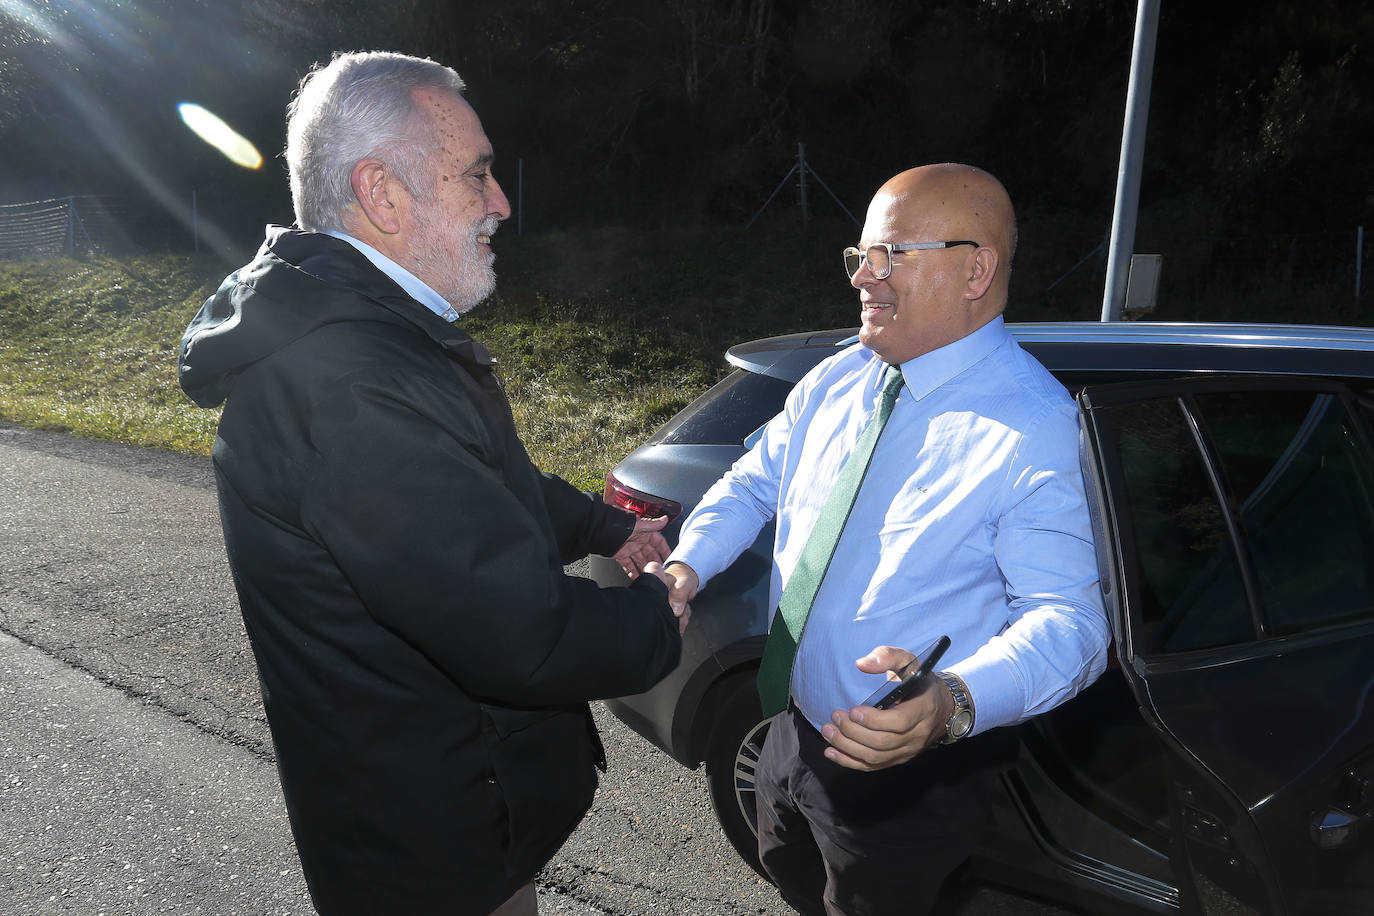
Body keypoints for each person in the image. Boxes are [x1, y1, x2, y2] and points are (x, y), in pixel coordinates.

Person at [176, 51, 684, 916]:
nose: (501, 203)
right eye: (478, 175)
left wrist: (601, 528)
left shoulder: (370, 332)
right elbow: (516, 633)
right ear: (381, 193)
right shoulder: (346, 380)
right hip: (428, 846)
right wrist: (657, 614)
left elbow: (475, 482)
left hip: (449, 806)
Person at [658, 163, 1111, 915]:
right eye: (861, 256)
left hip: (906, 778)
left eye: (893, 254)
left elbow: (1072, 622)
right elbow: (751, 483)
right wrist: (685, 567)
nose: (864, 277)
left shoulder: (1033, 427)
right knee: (789, 871)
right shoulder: (841, 377)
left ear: (977, 270)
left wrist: (950, 704)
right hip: (789, 730)